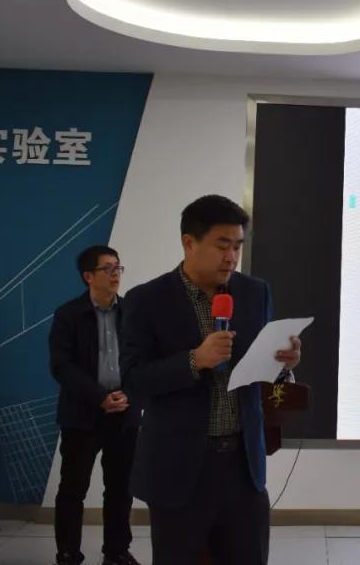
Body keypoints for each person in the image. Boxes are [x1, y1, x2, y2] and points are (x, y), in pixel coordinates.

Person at [122, 195, 302, 565]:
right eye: (222, 246)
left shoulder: (255, 292)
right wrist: (194, 360)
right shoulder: (146, 299)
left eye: (237, 246)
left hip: (242, 466)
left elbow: (261, 367)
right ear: (189, 242)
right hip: (178, 468)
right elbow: (132, 379)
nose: (231, 257)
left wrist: (284, 364)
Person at [49, 245, 141, 565]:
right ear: (88, 276)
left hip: (124, 413)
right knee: (73, 488)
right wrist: (99, 396)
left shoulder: (132, 313)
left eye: (118, 267)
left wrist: (129, 394)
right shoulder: (68, 314)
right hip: (82, 414)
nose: (116, 274)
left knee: (120, 488)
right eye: (108, 268)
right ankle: (68, 553)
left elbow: (143, 361)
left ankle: (116, 552)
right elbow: (62, 366)